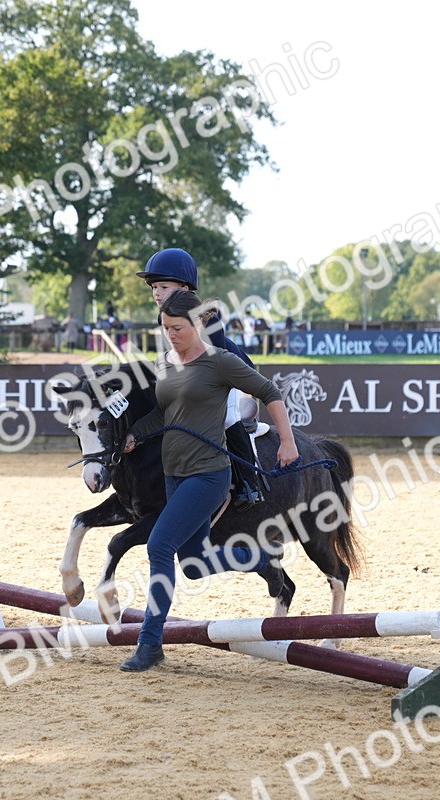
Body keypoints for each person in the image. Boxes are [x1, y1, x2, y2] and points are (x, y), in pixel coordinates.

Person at [118, 289, 299, 672]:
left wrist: (286, 440)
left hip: (209, 475)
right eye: (165, 328)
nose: (171, 334)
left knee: (159, 546)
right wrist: (136, 432)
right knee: (195, 563)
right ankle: (261, 560)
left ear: (198, 323)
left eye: (178, 327)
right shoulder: (165, 362)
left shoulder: (220, 363)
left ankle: (150, 643)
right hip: (174, 475)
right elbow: (166, 414)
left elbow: (269, 391)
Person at [136, 247, 267, 508]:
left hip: (229, 378)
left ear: (184, 289)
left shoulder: (206, 316)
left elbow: (216, 363)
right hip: (197, 379)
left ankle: (249, 483)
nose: (156, 293)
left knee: (228, 417)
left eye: (163, 286)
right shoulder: (164, 316)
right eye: (153, 288)